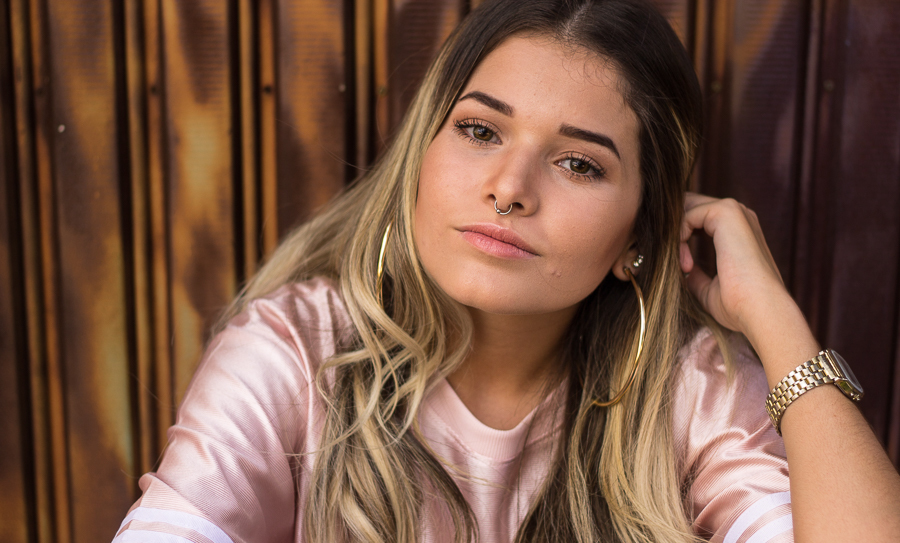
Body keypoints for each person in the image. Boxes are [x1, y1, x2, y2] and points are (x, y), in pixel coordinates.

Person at [111, 0, 900, 541]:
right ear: (421, 154)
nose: (509, 189)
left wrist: (776, 320)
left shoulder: (690, 388)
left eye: (579, 164)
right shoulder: (294, 348)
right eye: (481, 130)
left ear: (640, 233)